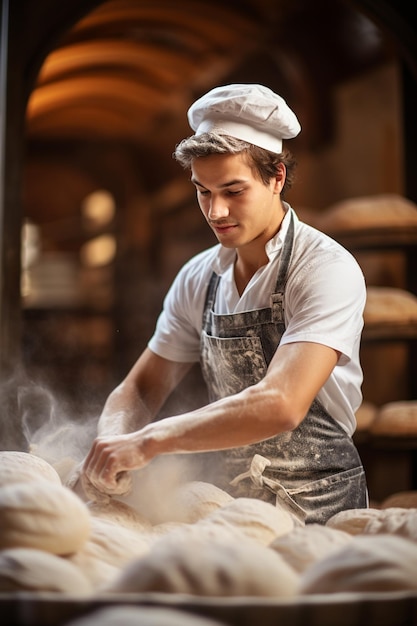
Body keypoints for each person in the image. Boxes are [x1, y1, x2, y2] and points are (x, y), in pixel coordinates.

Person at [81, 83, 368, 524]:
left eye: (233, 191)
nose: (215, 212)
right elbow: (141, 387)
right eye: (203, 191)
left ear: (277, 177)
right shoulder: (200, 276)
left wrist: (149, 441)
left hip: (322, 511)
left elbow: (281, 403)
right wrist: (111, 445)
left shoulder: (324, 268)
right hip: (234, 509)